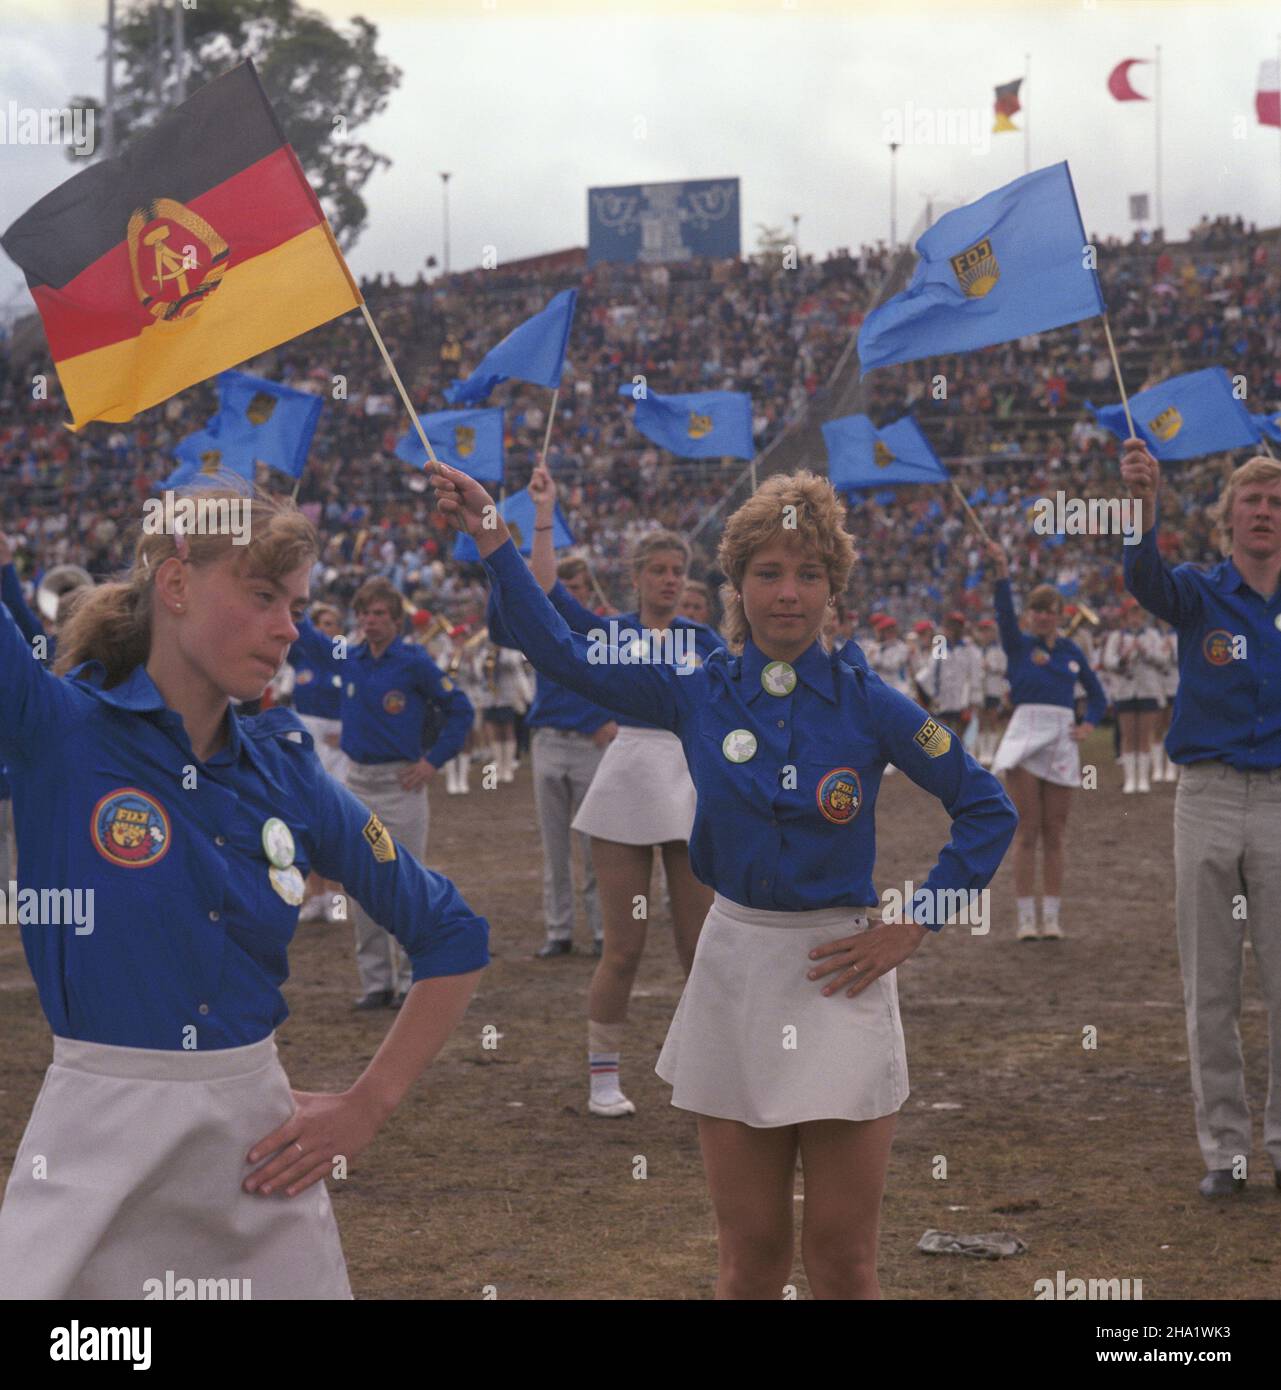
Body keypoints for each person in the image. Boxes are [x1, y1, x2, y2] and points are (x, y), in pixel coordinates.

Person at [438, 461, 1016, 1299]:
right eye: (768, 572)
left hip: (840, 978)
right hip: (733, 968)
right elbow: (556, 649)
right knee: (748, 1256)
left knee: (844, 1260)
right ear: (737, 584)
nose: (788, 592)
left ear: (833, 587)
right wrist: (492, 530)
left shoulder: (874, 703)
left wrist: (913, 920)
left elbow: (986, 808)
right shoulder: (691, 689)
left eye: (808, 574)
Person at [0, 483, 488, 1299]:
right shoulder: (56, 728)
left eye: (295, 605)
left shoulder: (288, 771)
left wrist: (366, 1107)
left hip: (260, 1168)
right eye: (263, 596)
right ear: (176, 583)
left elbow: (454, 932)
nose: (290, 627)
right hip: (92, 1154)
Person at [503, 486, 721, 1118]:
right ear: (635, 578)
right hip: (626, 778)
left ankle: (705, 1073)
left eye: (678, 572)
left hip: (687, 782)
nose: (670, 581)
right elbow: (545, 591)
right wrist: (544, 517)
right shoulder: (609, 635)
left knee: (697, 945)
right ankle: (604, 1078)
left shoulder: (703, 640)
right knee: (623, 946)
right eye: (657, 571)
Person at [1121, 442, 1281, 1199]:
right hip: (1206, 796)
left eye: (1276, 503)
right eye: (1250, 502)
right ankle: (1225, 1151)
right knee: (1209, 986)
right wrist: (1143, 503)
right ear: (1227, 521)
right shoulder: (1196, 592)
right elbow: (1140, 577)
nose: (1263, 512)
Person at [292, 579, 474, 1008]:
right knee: (361, 881)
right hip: (358, 783)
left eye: (379, 614)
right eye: (365, 614)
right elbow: (309, 640)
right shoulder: (350, 656)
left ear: (396, 620)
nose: (370, 621)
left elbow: (460, 708)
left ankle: (414, 977)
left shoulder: (414, 662)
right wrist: (287, 597)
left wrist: (433, 761)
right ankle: (376, 982)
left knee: (407, 880)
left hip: (400, 781)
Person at [489, 555, 617, 959]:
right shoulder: (545, 627)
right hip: (549, 740)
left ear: (590, 591)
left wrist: (616, 719)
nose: (572, 594)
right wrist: (501, 574)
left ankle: (601, 929)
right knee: (554, 844)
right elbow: (497, 629)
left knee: (596, 846)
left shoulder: (604, 633)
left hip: (589, 744)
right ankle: (559, 930)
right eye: (566, 586)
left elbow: (635, 681)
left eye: (578, 587)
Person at [986, 541, 1106, 941]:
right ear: (1030, 615)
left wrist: (1087, 724)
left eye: (1048, 610)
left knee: (1055, 831)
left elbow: (1099, 695)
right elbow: (1003, 612)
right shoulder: (1018, 646)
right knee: (1027, 830)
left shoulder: (1072, 651)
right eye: (1035, 610)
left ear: (1059, 615)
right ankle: (1024, 919)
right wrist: (1002, 569)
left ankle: (1051, 917)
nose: (1041, 616)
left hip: (1061, 738)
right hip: (1024, 734)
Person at [286, 602, 350, 922]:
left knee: (334, 821)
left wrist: (350, 729)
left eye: (332, 623)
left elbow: (359, 694)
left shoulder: (341, 653)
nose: (327, 628)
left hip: (338, 744)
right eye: (321, 623)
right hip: (307, 738)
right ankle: (316, 895)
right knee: (307, 819)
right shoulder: (301, 654)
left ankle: (337, 897)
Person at [1102, 597, 1165, 794]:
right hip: (1125, 691)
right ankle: (1130, 779)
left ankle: (1143, 779)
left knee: (1144, 735)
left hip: (1147, 689)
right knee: (1128, 736)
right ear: (1126, 616)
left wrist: (1145, 652)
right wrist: (1124, 656)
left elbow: (1163, 660)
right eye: (1132, 614)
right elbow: (1108, 661)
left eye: (1139, 614)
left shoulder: (1153, 635)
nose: (1135, 619)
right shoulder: (1116, 637)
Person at [974, 617, 1008, 767]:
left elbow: (1004, 668)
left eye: (987, 631)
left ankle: (991, 752)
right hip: (980, 689)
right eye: (982, 631)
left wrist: (990, 666)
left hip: (993, 688)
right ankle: (982, 752)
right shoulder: (976, 650)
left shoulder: (999, 649)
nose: (985, 634)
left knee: (993, 720)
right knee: (981, 720)